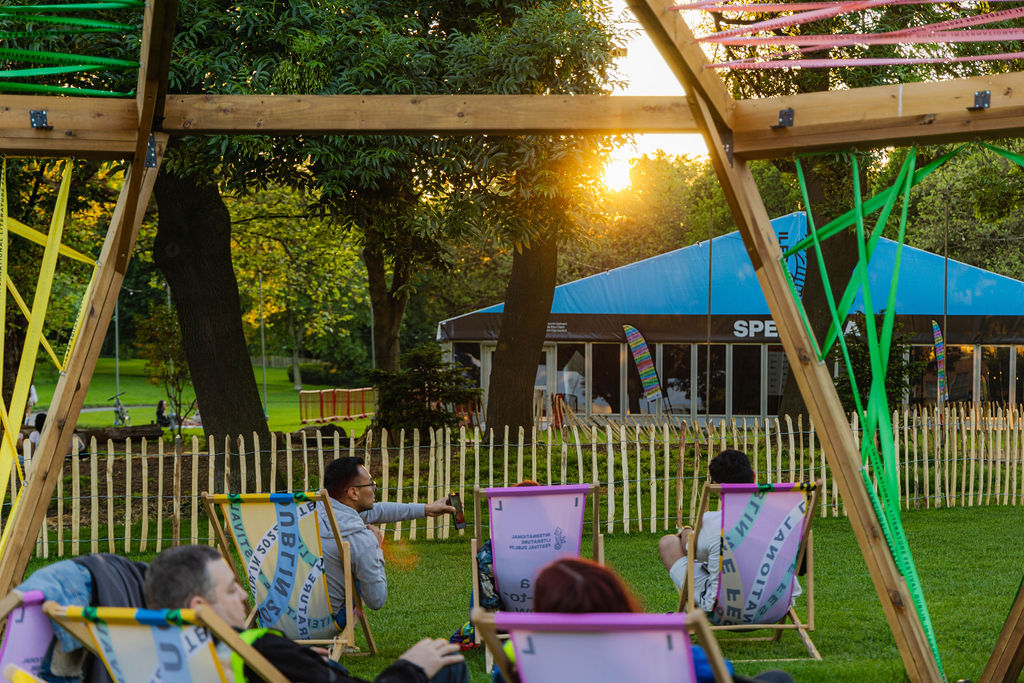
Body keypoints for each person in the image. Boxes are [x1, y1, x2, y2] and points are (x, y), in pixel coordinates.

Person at [145, 545, 469, 683]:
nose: (244, 595)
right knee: (445, 659)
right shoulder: (255, 647)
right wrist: (410, 667)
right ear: (199, 608)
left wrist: (297, 661)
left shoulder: (148, 655)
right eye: (231, 590)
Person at [495, 557, 793, 683]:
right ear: (617, 598)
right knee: (778, 679)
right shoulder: (667, 652)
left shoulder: (521, 658)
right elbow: (722, 672)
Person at [657, 449, 800, 613]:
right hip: (776, 606)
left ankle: (689, 615)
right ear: (753, 476)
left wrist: (686, 533)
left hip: (726, 611)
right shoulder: (784, 516)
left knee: (669, 543)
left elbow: (693, 553)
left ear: (716, 487)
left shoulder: (714, 521)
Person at [319, 457, 455, 613]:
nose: (374, 488)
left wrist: (427, 509)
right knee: (358, 572)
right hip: (326, 625)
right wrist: (376, 547)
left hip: (289, 620)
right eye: (370, 484)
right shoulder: (360, 538)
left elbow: (378, 510)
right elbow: (376, 599)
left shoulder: (309, 510)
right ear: (353, 493)